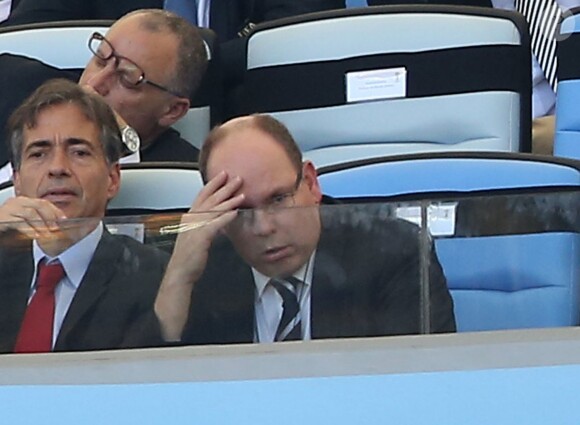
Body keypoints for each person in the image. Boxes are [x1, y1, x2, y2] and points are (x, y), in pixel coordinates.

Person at [153, 114, 456, 345]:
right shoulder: (202, 271)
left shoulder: (394, 252)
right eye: (241, 211)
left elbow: (420, 386)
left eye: (279, 199)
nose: (263, 227)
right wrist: (179, 276)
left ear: (311, 183)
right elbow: (154, 390)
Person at [0, 79, 168, 354]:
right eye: (39, 154)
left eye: (79, 152)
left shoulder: (151, 278)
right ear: (17, 182)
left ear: (112, 179)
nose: (57, 168)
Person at [0, 8, 208, 181]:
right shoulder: (11, 87)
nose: (94, 83)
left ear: (172, 110)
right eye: (100, 59)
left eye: (127, 80)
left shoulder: (185, 180)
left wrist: (126, 147)